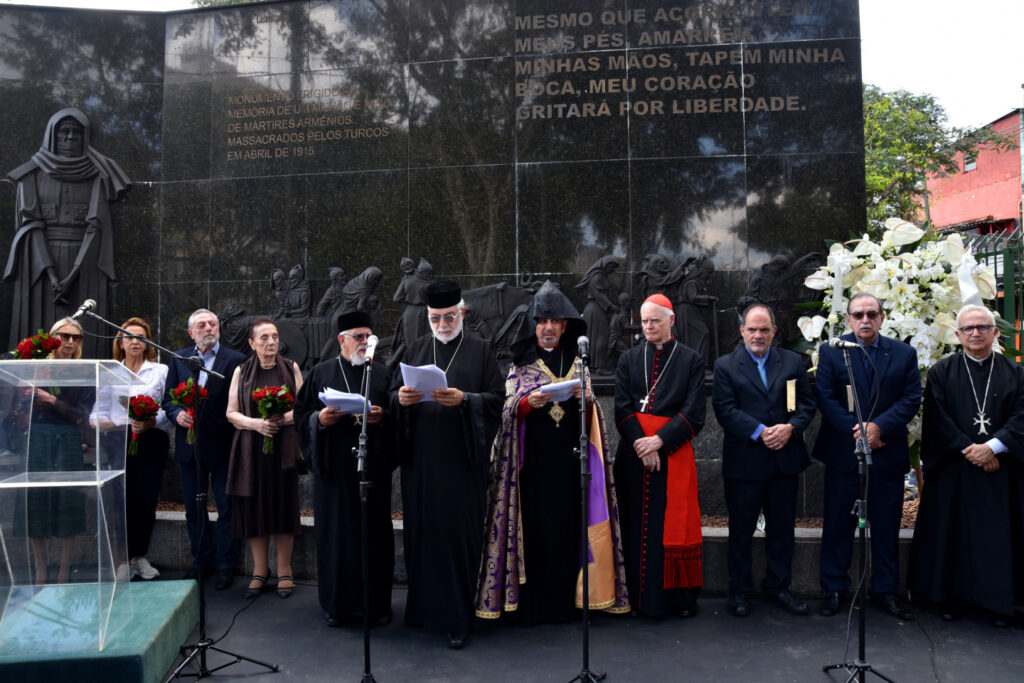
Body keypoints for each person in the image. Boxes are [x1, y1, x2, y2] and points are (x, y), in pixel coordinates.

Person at [475, 281, 629, 625]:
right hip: (533, 471)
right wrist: (529, 403)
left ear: (565, 326)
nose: (548, 328)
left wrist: (587, 401)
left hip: (572, 466)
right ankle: (533, 606)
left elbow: (594, 417)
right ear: (534, 325)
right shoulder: (522, 365)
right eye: (542, 321)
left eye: (555, 322)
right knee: (537, 532)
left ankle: (569, 601)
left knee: (569, 530)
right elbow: (508, 410)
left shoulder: (579, 362)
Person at [390, 281, 503, 648]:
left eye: (449, 317)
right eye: (436, 318)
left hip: (461, 465)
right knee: (423, 536)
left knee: (457, 539)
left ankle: (457, 619)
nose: (442, 324)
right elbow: (391, 395)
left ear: (462, 314)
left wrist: (465, 399)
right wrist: (401, 399)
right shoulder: (415, 348)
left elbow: (496, 399)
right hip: (421, 465)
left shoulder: (482, 351)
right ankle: (422, 612)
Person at [910, 304, 1024, 626]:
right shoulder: (941, 373)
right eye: (968, 328)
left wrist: (992, 447)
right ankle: (952, 598)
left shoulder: (1016, 374)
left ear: (995, 332)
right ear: (958, 335)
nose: (975, 333)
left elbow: (1021, 416)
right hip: (956, 471)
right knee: (953, 536)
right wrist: (969, 449)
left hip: (1000, 472)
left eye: (982, 327)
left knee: (997, 539)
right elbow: (938, 418)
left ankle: (999, 604)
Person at [813, 293, 920, 620]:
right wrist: (859, 430)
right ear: (847, 319)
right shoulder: (832, 352)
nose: (865, 320)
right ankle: (834, 588)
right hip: (845, 453)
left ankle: (885, 591)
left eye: (871, 314)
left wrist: (879, 429)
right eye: (858, 314)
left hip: (886, 454)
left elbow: (911, 397)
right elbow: (825, 397)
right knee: (838, 524)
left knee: (887, 527)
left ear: (882, 317)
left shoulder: (903, 353)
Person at [712, 304, 816, 617]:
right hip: (745, 462)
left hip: (784, 460)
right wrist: (760, 432)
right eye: (752, 330)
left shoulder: (793, 362)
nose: (758, 335)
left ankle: (779, 587)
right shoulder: (725, 366)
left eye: (764, 330)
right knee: (741, 531)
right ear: (741, 331)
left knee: (782, 529)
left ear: (774, 331)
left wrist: (791, 428)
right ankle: (739, 591)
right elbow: (725, 410)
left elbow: (807, 404)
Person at [294, 310, 395, 626]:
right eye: (358, 336)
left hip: (372, 473)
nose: (365, 342)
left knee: (373, 537)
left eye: (368, 336)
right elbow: (302, 415)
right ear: (342, 340)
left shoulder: (381, 373)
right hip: (335, 473)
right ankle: (336, 606)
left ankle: (376, 605)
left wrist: (383, 417)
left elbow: (397, 416)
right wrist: (319, 420)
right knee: (337, 538)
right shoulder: (322, 372)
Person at [5, 107, 132, 359]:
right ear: (52, 135)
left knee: (90, 335)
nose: (70, 138)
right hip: (40, 263)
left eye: (77, 132)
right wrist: (52, 274)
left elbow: (96, 226)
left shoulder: (99, 174)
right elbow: (32, 225)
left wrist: (73, 274)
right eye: (64, 131)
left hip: (87, 263)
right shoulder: (29, 174)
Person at [613, 293, 705, 618]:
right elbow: (622, 408)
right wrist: (642, 443)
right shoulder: (629, 358)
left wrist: (659, 442)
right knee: (635, 527)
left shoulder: (691, 360)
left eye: (655, 320)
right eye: (644, 321)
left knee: (668, 528)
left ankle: (674, 600)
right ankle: (637, 599)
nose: (648, 327)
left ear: (671, 320)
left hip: (672, 457)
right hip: (633, 460)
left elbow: (694, 414)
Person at [163, 308, 246, 591]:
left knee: (226, 508)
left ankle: (226, 565)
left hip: (224, 446)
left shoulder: (235, 360)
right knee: (194, 509)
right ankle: (201, 562)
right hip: (190, 447)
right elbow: (168, 400)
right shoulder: (179, 359)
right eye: (202, 324)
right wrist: (177, 416)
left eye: (213, 323)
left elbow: (241, 401)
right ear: (191, 333)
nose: (209, 327)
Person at [225, 317, 304, 599]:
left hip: (282, 449)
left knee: (282, 506)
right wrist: (257, 424)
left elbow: (303, 408)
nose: (271, 342)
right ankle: (260, 571)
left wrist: (281, 419)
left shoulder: (290, 367)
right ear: (251, 343)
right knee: (254, 509)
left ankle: (284, 570)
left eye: (274, 337)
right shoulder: (241, 372)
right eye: (264, 338)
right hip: (251, 450)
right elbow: (231, 412)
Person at [91, 317, 170, 580]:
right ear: (120, 343)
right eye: (129, 337)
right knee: (121, 500)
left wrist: (150, 422)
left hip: (151, 440)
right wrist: (104, 422)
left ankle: (140, 557)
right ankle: (123, 559)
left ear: (147, 343)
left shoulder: (160, 371)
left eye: (140, 337)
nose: (135, 341)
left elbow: (167, 409)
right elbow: (96, 413)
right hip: (117, 440)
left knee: (147, 499)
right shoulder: (109, 371)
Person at [28, 317, 90, 584]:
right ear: (53, 338)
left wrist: (52, 399)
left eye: (75, 338)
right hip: (38, 438)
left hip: (68, 438)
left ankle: (65, 566)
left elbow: (81, 414)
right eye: (64, 336)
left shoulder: (85, 372)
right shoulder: (35, 367)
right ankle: (40, 567)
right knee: (36, 501)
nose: (70, 342)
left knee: (69, 500)